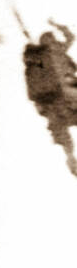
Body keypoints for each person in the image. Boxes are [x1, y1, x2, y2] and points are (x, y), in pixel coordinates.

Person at [24, 20, 77, 176]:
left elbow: (70, 36)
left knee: (60, 128)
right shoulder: (49, 53)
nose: (52, 40)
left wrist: (57, 25)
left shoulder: (53, 52)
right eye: (50, 38)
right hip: (59, 97)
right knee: (60, 129)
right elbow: (34, 74)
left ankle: (70, 157)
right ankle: (70, 157)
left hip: (59, 97)